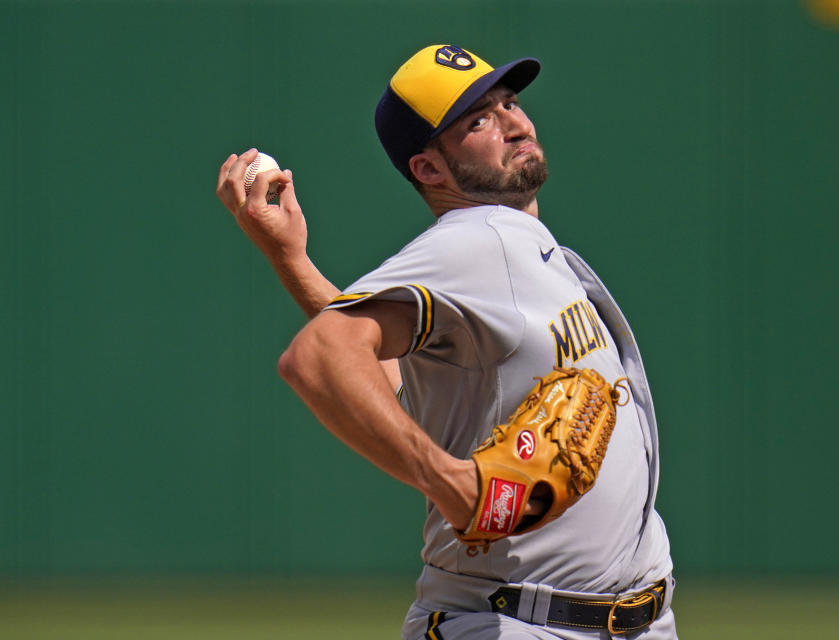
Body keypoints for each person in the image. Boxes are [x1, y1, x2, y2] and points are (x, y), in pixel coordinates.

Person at [216, 44, 677, 639]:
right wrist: (449, 480)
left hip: (625, 620)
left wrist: (292, 262)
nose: (514, 123)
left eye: (509, 102)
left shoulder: (519, 249)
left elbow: (409, 386)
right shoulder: (478, 238)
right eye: (478, 121)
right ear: (430, 169)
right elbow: (321, 355)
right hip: (516, 622)